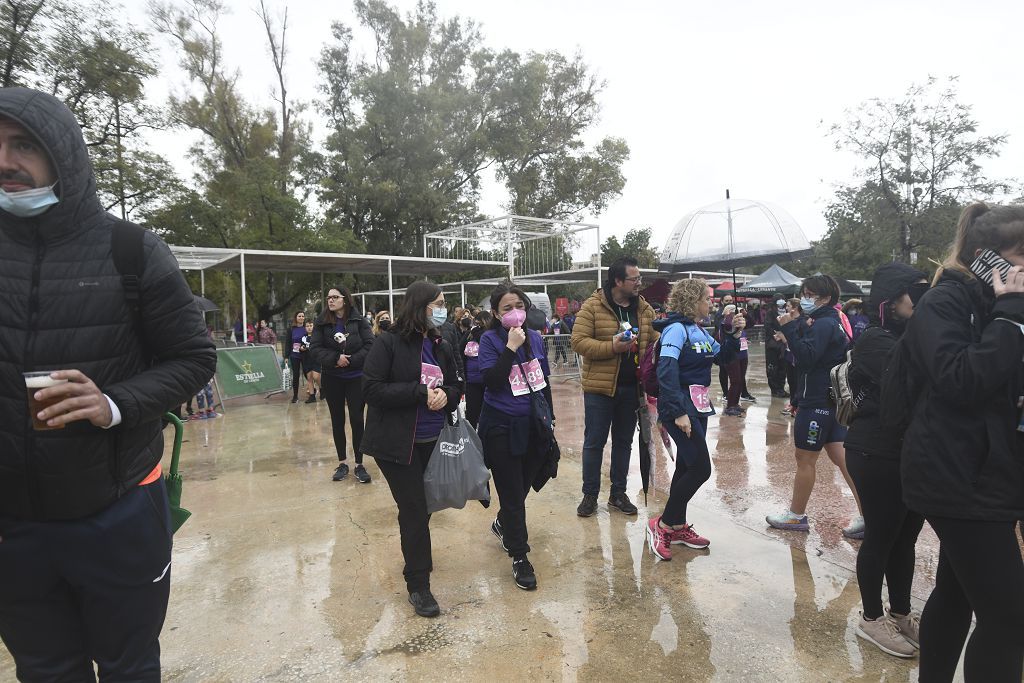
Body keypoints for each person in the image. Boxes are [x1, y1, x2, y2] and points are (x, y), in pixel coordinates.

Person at [0, 88, 217, 680]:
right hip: (12, 525)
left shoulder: (132, 251)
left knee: (129, 666)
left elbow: (195, 358)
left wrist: (113, 402)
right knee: (45, 670)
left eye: (23, 144)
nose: (5, 160)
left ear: (63, 154)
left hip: (117, 507)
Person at [897, 203, 1024, 682]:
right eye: (1022, 257)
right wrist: (1011, 318)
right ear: (986, 258)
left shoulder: (997, 306)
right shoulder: (946, 302)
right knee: (1011, 618)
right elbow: (960, 380)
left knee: (957, 592)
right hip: (956, 476)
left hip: (988, 469)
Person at [360, 281, 462, 618]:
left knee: (422, 509)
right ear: (420, 305)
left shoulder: (441, 342)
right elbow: (372, 390)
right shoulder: (387, 342)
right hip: (396, 444)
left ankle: (415, 553)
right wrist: (418, 392)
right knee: (415, 509)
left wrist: (448, 394)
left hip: (434, 440)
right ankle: (418, 584)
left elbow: (455, 383)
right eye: (439, 303)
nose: (444, 309)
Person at [843, 263, 929, 658]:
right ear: (893, 302)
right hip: (874, 451)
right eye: (916, 294)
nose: (924, 301)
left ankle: (901, 613)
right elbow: (920, 377)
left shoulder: (912, 333)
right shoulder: (874, 341)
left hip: (909, 451)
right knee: (881, 535)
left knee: (905, 537)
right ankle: (871, 618)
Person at [646, 279, 739, 559]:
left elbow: (723, 357)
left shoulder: (697, 330)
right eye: (706, 299)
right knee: (701, 469)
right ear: (693, 301)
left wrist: (733, 333)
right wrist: (678, 412)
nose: (709, 303)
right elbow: (666, 372)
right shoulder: (675, 330)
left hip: (699, 405)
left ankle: (676, 525)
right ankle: (661, 525)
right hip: (680, 407)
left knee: (687, 466)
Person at [766, 275, 864, 538]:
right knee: (842, 459)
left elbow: (807, 359)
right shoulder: (834, 321)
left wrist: (789, 328)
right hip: (831, 401)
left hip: (817, 402)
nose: (806, 298)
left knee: (805, 459)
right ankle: (869, 514)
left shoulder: (824, 323)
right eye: (805, 293)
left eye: (810, 294)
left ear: (825, 298)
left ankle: (796, 516)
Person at [477, 284, 554, 590]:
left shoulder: (535, 338)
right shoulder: (489, 340)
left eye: (518, 305)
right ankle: (520, 556)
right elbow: (493, 382)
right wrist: (510, 348)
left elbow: (543, 381)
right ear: (496, 313)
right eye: (507, 308)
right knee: (511, 492)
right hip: (501, 426)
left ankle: (503, 522)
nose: (514, 312)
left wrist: (552, 420)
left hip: (534, 423)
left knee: (525, 483)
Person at [571, 257, 657, 517]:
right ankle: (589, 495)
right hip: (600, 390)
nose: (639, 283)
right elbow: (578, 342)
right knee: (594, 443)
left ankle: (618, 494)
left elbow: (654, 338)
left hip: (632, 389)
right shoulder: (593, 306)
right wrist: (612, 347)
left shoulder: (643, 309)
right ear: (618, 281)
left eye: (639, 278)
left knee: (624, 442)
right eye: (635, 279)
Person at [310, 286, 374, 484]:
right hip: (332, 377)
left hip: (356, 377)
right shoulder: (321, 322)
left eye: (334, 297)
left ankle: (359, 464)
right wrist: (336, 358)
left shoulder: (358, 320)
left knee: (356, 418)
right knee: (337, 419)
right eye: (328, 297)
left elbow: (370, 345)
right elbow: (315, 348)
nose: (330, 300)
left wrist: (351, 360)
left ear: (344, 300)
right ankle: (343, 462)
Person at [461, 310, 491, 428]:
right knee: (472, 414)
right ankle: (472, 439)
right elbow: (460, 352)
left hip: (487, 380)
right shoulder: (469, 335)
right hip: (472, 381)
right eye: (477, 323)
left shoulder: (490, 335)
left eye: (480, 324)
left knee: (486, 413)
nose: (478, 326)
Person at [718, 305, 749, 416]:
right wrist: (730, 315)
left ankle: (735, 403)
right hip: (731, 355)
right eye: (730, 310)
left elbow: (750, 323)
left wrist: (744, 313)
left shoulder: (740, 320)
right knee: (735, 380)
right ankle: (730, 405)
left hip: (742, 354)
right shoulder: (725, 321)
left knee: (740, 380)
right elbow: (728, 327)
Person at [763, 296, 790, 398]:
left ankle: (781, 388)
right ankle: (775, 389)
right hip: (772, 344)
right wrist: (777, 334)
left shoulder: (786, 312)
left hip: (783, 343)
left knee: (783, 367)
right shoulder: (770, 313)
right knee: (772, 367)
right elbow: (768, 326)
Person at [300, 320, 322, 403]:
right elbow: (301, 346)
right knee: (309, 378)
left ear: (313, 326)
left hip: (316, 359)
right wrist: (302, 348)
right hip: (307, 359)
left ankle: (321, 388)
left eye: (311, 325)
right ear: (305, 327)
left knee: (316, 376)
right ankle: (312, 397)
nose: (309, 327)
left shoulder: (317, 336)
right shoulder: (303, 337)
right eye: (307, 326)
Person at [288, 311, 307, 403]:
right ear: (296, 318)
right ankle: (295, 396)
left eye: (303, 316)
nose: (301, 317)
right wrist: (286, 356)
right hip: (294, 355)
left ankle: (314, 391)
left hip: (305, 354)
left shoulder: (306, 328)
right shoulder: (291, 329)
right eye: (299, 316)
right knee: (296, 375)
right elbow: (288, 343)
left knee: (308, 374)